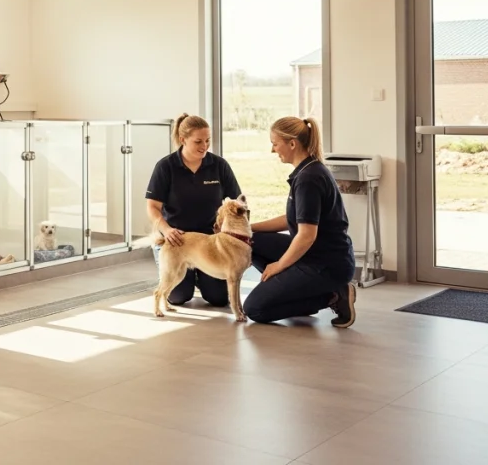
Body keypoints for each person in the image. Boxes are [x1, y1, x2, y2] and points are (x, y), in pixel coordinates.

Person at [243, 117, 357, 328]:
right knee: (250, 240)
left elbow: (306, 235)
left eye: (275, 144)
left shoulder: (309, 179)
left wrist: (278, 266)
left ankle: (333, 295)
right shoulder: (307, 170)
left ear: (292, 144)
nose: (273, 150)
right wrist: (247, 229)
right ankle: (295, 289)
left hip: (325, 264)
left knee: (254, 308)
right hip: (315, 254)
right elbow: (293, 220)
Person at [145, 113, 242, 308]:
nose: (204, 146)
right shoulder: (166, 167)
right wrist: (167, 230)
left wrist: (226, 229)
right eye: (198, 141)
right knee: (178, 297)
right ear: (183, 140)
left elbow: (237, 203)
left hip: (210, 243)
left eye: (207, 140)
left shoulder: (219, 165)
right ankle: (191, 278)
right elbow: (153, 207)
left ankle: (200, 277)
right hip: (177, 239)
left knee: (219, 299)